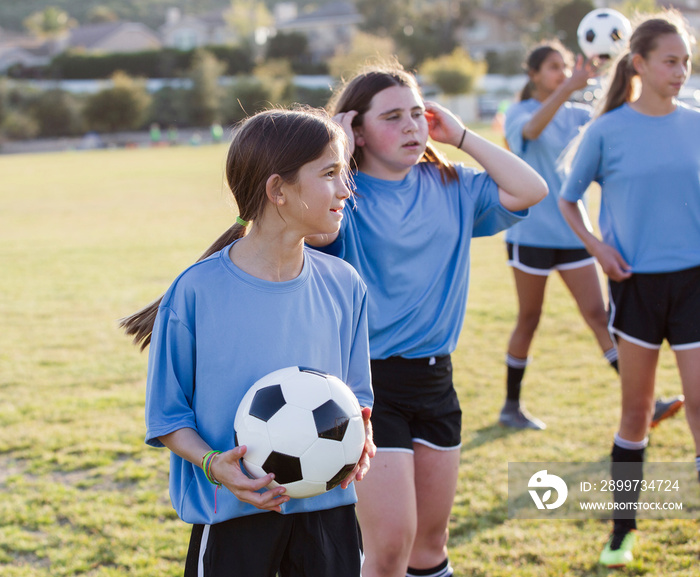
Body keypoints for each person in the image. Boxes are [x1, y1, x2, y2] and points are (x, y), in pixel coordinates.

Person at [307, 61, 547, 577]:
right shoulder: (342, 199)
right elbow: (317, 239)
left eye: (418, 113)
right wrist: (339, 155)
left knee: (430, 547)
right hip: (368, 384)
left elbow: (531, 191)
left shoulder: (453, 185)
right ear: (358, 130)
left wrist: (461, 136)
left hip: (437, 378)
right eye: (392, 116)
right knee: (390, 547)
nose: (412, 125)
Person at [120, 107, 376, 577]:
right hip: (234, 521)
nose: (346, 190)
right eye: (330, 173)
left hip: (329, 515)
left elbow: (356, 395)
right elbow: (168, 418)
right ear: (278, 190)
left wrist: (360, 435)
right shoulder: (196, 292)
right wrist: (216, 465)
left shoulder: (345, 284)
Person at [558, 11, 700, 568]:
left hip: (694, 284)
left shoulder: (696, 122)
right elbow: (568, 199)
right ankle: (622, 532)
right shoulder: (605, 130)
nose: (681, 70)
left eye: (687, 61)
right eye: (671, 61)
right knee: (636, 414)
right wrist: (596, 246)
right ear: (638, 64)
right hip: (635, 288)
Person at [500, 41, 684, 430]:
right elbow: (531, 131)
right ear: (533, 74)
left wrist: (627, 73)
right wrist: (569, 88)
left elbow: (619, 120)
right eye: (553, 68)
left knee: (599, 316)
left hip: (573, 235)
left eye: (565, 68)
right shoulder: (520, 112)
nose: (562, 75)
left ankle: (646, 405)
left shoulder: (581, 114)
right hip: (531, 233)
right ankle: (511, 406)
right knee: (529, 319)